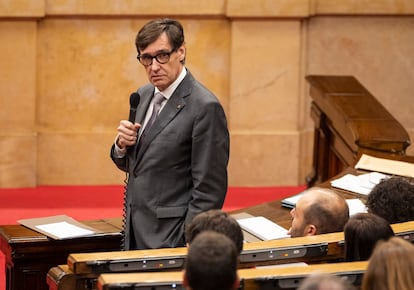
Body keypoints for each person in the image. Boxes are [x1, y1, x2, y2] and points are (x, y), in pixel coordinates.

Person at [110, 18, 230, 250]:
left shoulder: (204, 106)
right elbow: (139, 164)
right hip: (136, 230)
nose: (154, 67)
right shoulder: (143, 95)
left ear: (181, 51)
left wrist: (190, 239)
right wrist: (121, 146)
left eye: (162, 55)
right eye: (146, 58)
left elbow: (209, 188)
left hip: (172, 237)